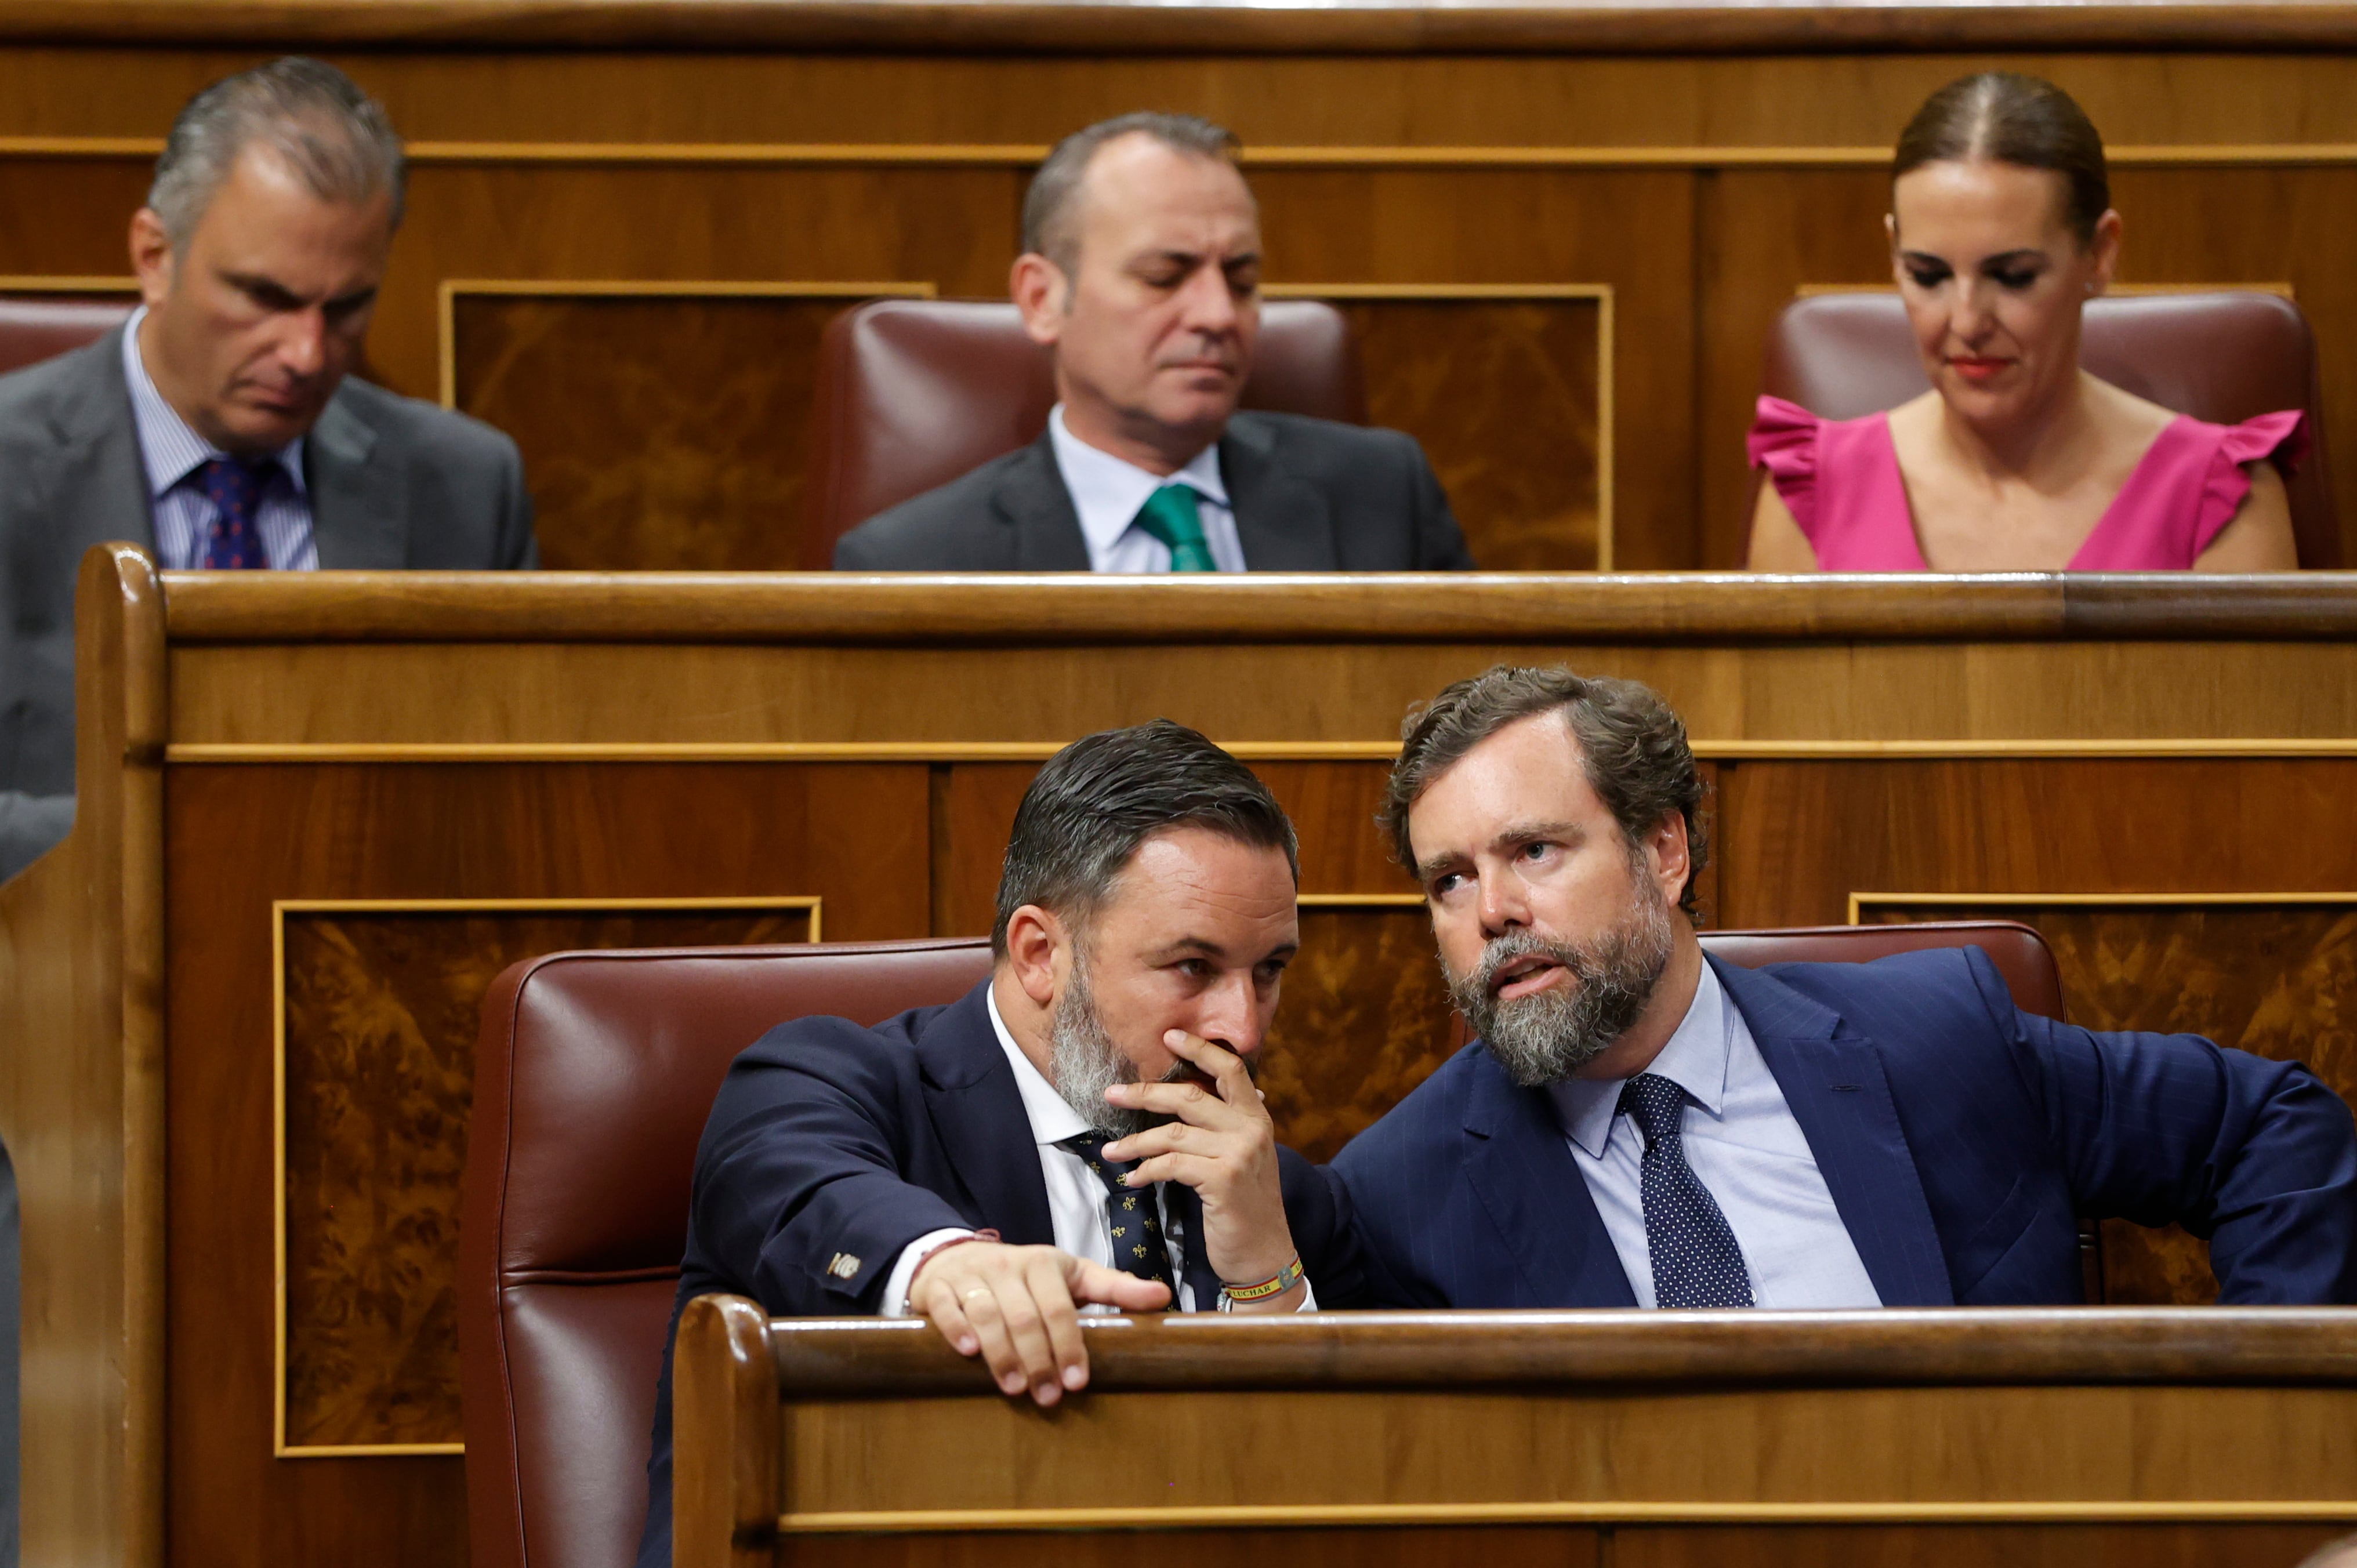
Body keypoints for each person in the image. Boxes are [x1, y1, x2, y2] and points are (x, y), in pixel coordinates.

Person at [1333, 664, 2357, 1310]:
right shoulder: (1400, 1191)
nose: (1492, 911)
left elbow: (2268, 1125)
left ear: (1662, 848)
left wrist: (2245, 1425)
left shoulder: (1938, 1038)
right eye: (1449, 880)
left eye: (1534, 850)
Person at [633, 720, 1365, 1567]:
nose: (1241, 1028)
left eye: (1269, 970)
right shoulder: (835, 1085)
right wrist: (949, 1268)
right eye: (1193, 968)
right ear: (1040, 953)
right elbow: (794, 1184)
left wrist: (1268, 1285)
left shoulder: (1272, 1199)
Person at [0, 56, 539, 884]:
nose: (306, 353)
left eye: (347, 306)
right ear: (154, 254)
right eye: (266, 296)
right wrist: (216, 835)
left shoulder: (464, 487)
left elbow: (510, 811)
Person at [832, 112, 1474, 572]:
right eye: (1163, 277)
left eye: (1241, 279)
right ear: (1041, 299)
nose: (1217, 314)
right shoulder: (913, 562)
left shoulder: (1386, 496)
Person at [1745, 72, 2303, 574]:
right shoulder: (1812, 491)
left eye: (2012, 276)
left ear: (2101, 253)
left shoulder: (2223, 498)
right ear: (1893, 251)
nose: (1967, 321)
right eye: (1927, 274)